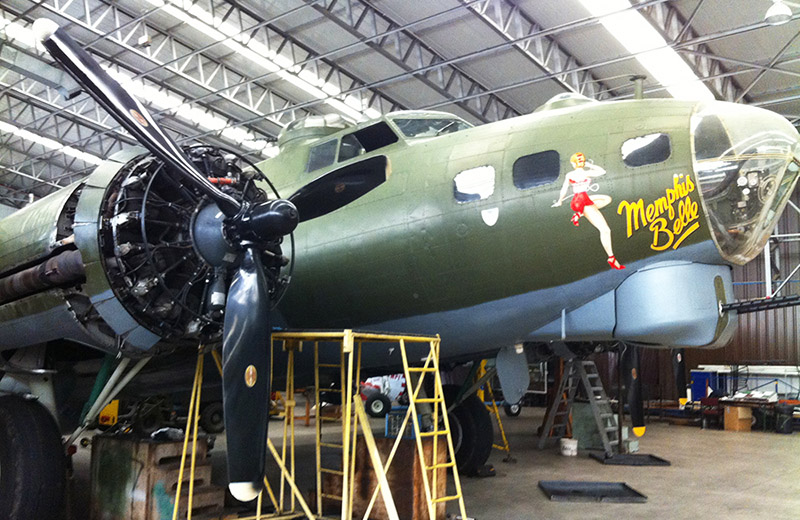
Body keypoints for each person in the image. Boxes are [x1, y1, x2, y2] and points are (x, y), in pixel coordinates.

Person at [552, 152, 625, 270]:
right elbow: (602, 171)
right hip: (582, 201)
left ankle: (579, 213)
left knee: (606, 199)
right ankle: (611, 257)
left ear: (572, 163)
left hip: (580, 199)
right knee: (605, 230)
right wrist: (588, 165)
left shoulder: (571, 174)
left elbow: (564, 189)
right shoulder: (586, 173)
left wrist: (560, 201)